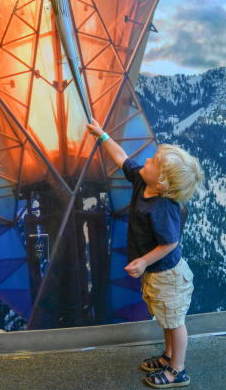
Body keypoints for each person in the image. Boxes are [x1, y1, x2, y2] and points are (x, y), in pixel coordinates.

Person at [86, 118, 204, 388]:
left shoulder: (163, 207)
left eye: (153, 162)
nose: (146, 161)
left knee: (175, 322)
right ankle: (168, 356)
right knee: (165, 317)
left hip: (168, 275)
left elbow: (170, 244)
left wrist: (142, 261)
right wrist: (102, 135)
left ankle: (178, 370)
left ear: (162, 183)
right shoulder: (143, 181)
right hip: (157, 273)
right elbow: (122, 158)